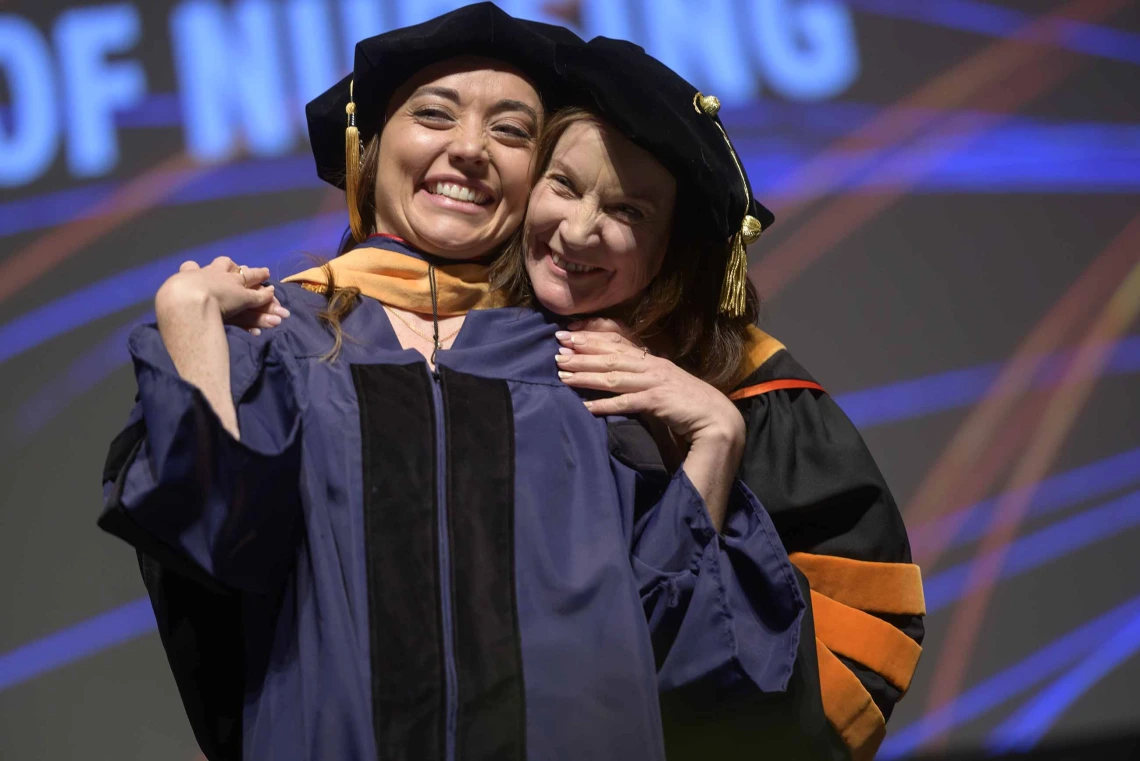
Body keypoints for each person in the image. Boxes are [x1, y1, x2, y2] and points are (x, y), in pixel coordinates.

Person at [98, 6, 804, 760]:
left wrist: (715, 442)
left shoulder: (588, 370)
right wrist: (187, 318)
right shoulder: (283, 340)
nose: (469, 149)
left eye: (511, 131)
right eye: (433, 114)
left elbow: (682, 657)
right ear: (367, 148)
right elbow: (218, 542)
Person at [489, 37, 926, 761]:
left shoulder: (753, 390)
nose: (576, 230)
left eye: (626, 210)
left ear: (672, 249)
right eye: (563, 184)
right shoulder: (454, 330)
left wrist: (716, 435)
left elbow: (866, 639)